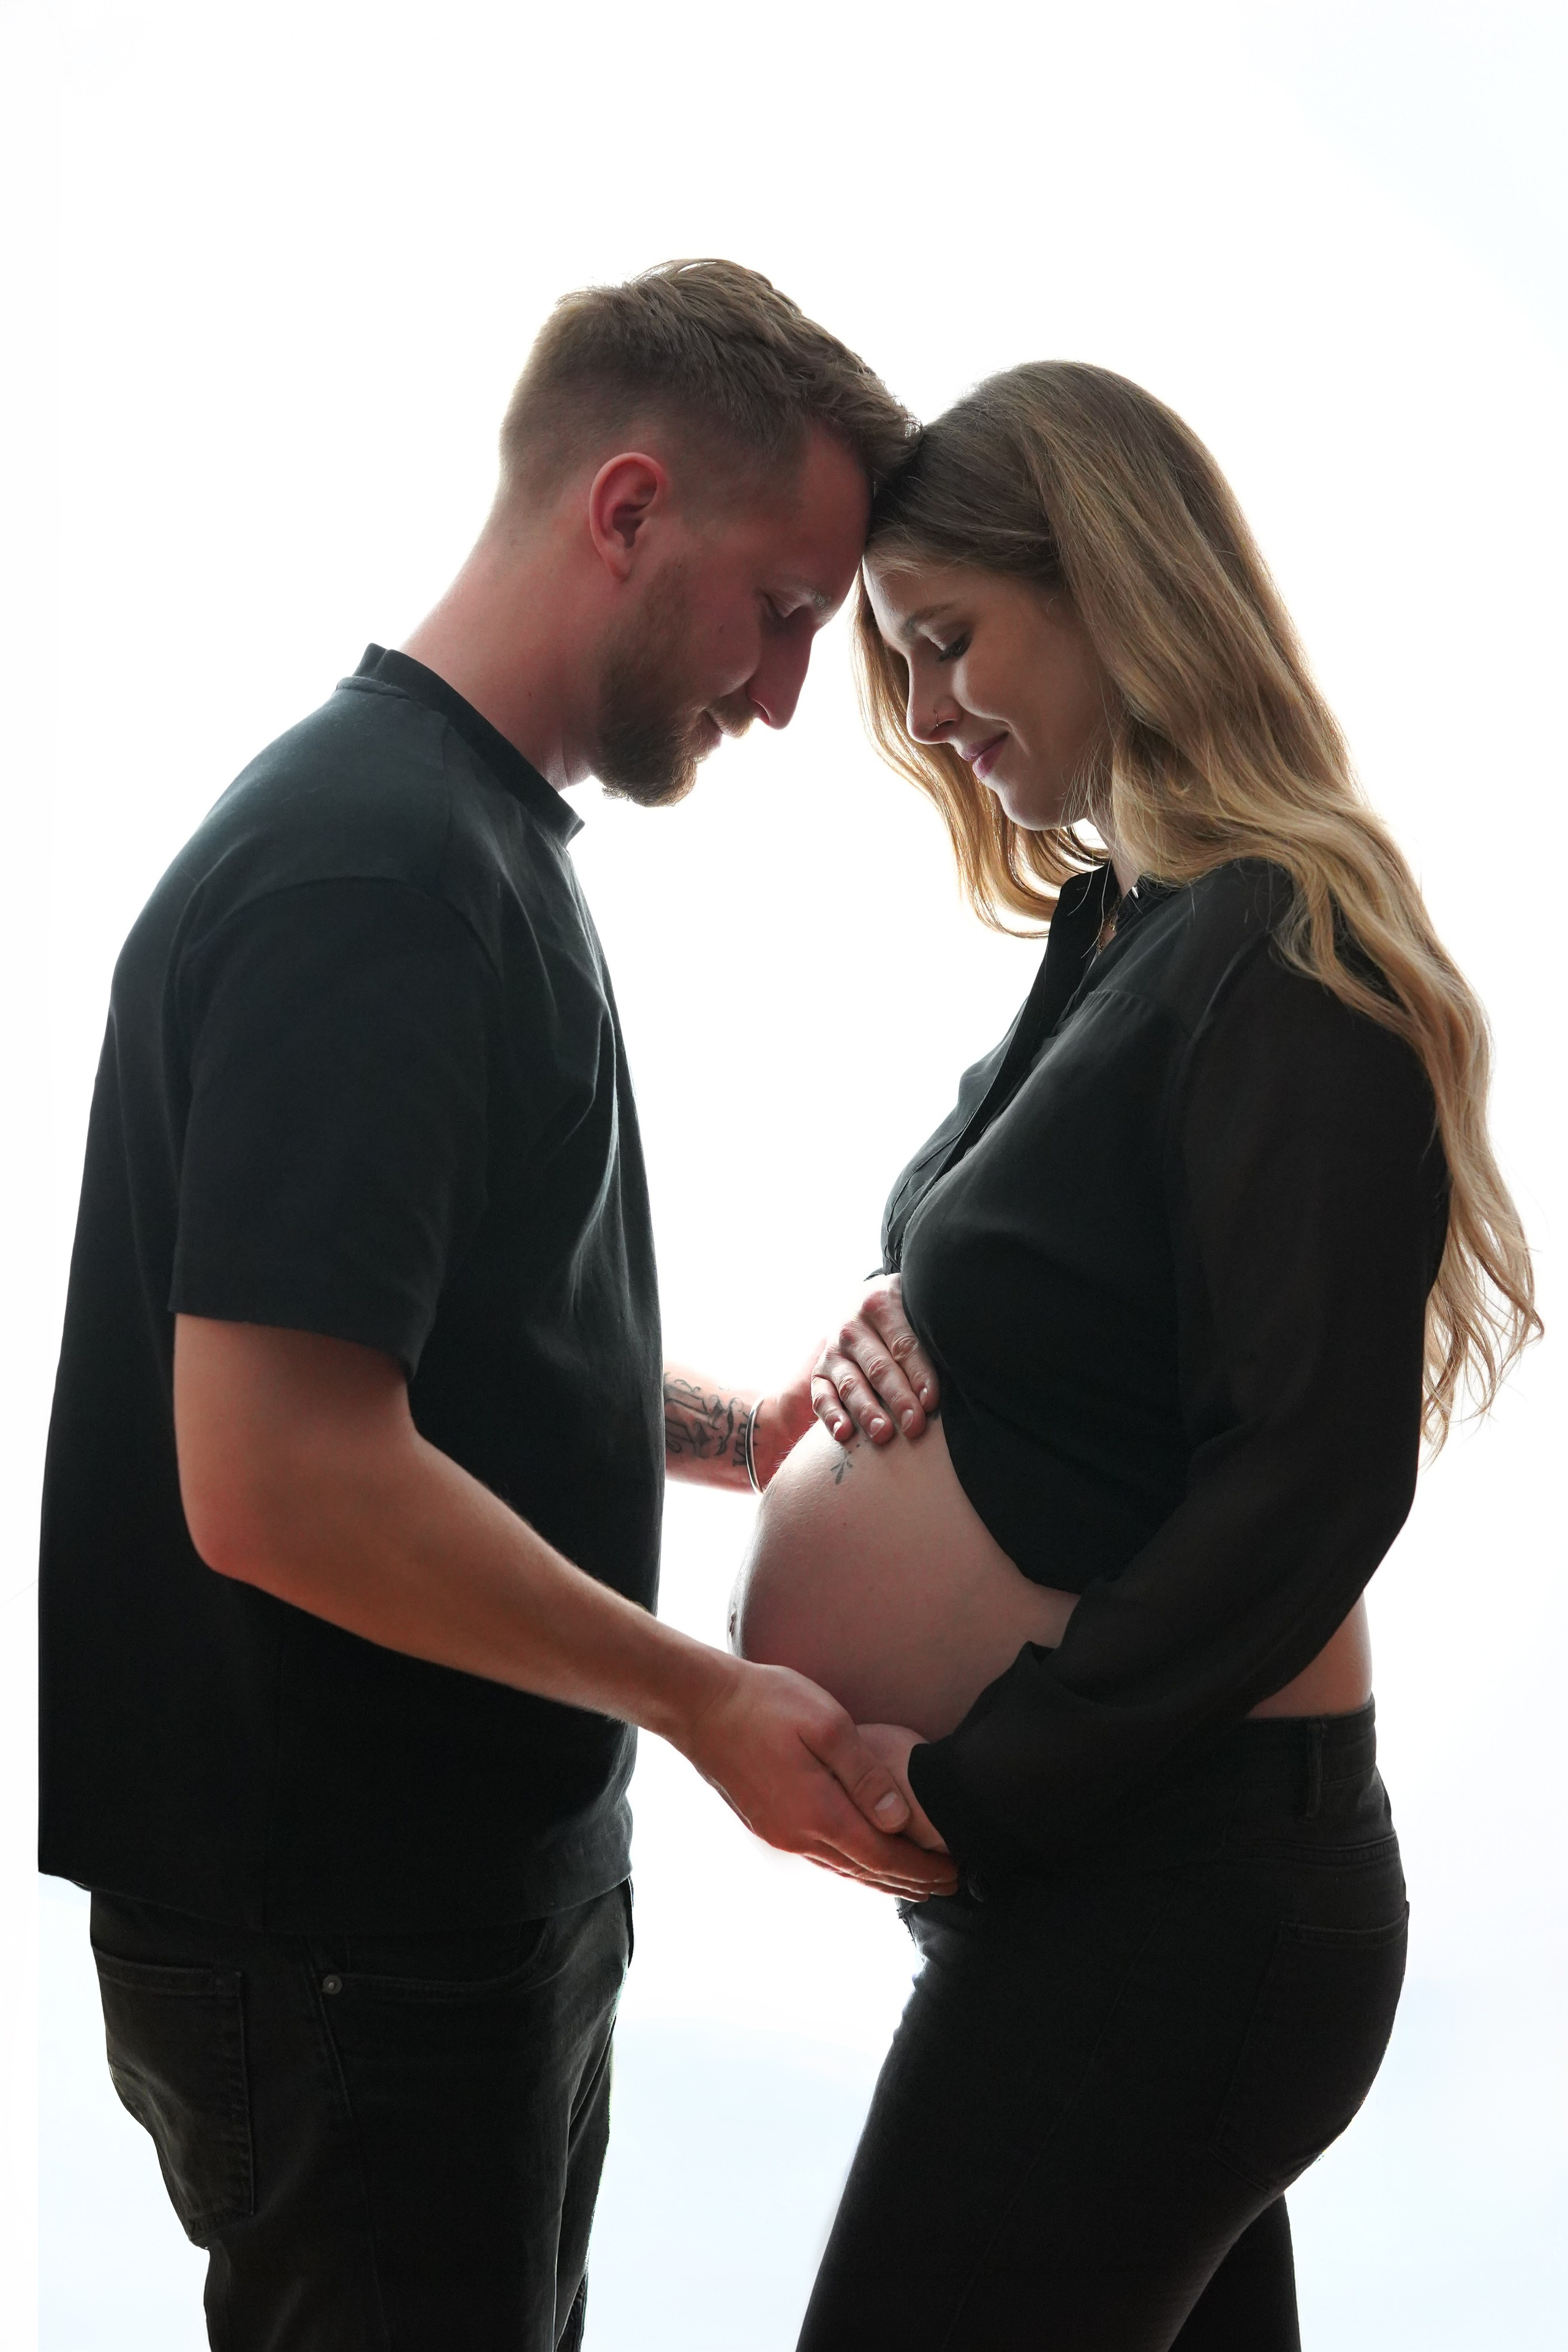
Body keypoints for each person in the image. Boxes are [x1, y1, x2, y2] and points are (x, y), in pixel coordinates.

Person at [38, 258, 957, 2352]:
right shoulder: (377, 873)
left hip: (440, 1922)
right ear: (627, 512)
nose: (792, 692)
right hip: (350, 1947)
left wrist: (742, 1434)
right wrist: (700, 1699)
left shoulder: (464, 839)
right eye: (788, 609)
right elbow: (278, 1478)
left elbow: (428, 1332)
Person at [724, 362, 1539, 2349]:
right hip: (1106, 1896)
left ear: (1109, 586)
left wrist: (998, 1779)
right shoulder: (1124, 927)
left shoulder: (1285, 948)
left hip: (1176, 1903)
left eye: (947, 644)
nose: (925, 716)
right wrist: (890, 1316)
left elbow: (1315, 1475)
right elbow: (1052, 1298)